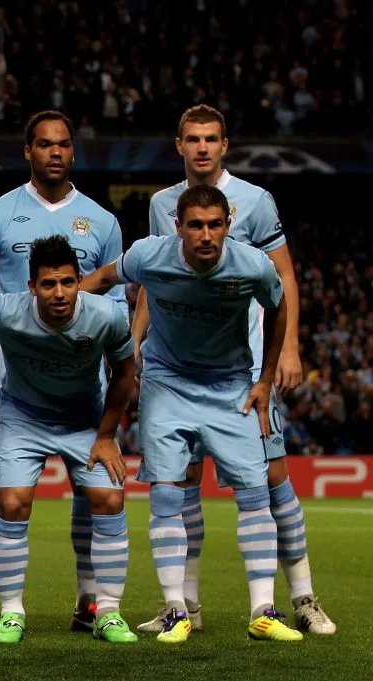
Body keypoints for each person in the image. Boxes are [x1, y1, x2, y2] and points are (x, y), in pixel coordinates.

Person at [134, 104, 334, 635]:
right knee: (184, 479)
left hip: (243, 368)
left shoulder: (256, 201)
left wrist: (288, 348)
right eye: (193, 139)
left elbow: (284, 277)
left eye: (212, 139)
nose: (202, 148)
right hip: (176, 366)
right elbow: (158, 278)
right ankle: (186, 607)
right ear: (179, 145)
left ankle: (303, 598)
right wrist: (133, 342)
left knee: (271, 478)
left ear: (225, 146)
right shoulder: (161, 205)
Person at [81, 184, 303, 643]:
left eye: (215, 225)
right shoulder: (149, 255)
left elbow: (278, 307)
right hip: (167, 382)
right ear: (178, 227)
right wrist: (54, 310)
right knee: (167, 493)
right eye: (196, 226)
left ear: (228, 226)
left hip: (231, 385)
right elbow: (102, 278)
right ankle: (176, 610)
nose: (206, 235)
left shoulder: (251, 264)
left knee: (254, 492)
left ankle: (264, 609)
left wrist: (264, 380)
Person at [0, 110, 127, 636]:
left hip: (81, 374)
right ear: (28, 151)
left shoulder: (102, 221)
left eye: (64, 144)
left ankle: (90, 600)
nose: (55, 152)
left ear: (73, 151)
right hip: (15, 378)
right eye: (45, 144)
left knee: (88, 487)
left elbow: (114, 303)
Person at [0, 235, 137, 645]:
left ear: (79, 281)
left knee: (109, 498)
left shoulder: (108, 315)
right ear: (31, 286)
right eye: (48, 284)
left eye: (67, 283)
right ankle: (12, 613)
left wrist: (107, 434)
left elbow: (125, 372)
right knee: (12, 501)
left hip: (84, 420)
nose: (59, 293)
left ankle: (108, 611)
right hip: (23, 419)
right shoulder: (6, 311)